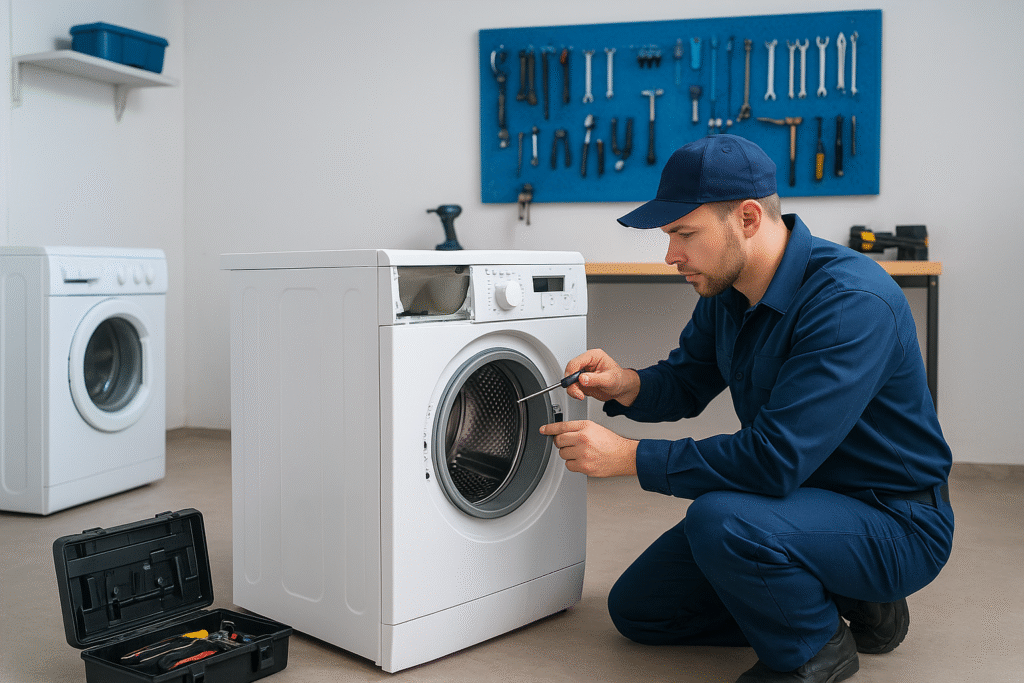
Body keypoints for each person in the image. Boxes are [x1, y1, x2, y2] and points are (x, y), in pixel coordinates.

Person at [539, 134, 954, 683]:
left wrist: (629, 458)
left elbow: (773, 460)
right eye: (669, 237)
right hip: (797, 500)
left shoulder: (850, 303)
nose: (671, 256)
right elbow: (686, 381)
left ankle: (816, 651)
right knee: (641, 610)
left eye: (684, 234)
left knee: (723, 520)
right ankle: (841, 596)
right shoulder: (730, 292)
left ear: (749, 218)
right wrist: (624, 383)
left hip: (892, 520)